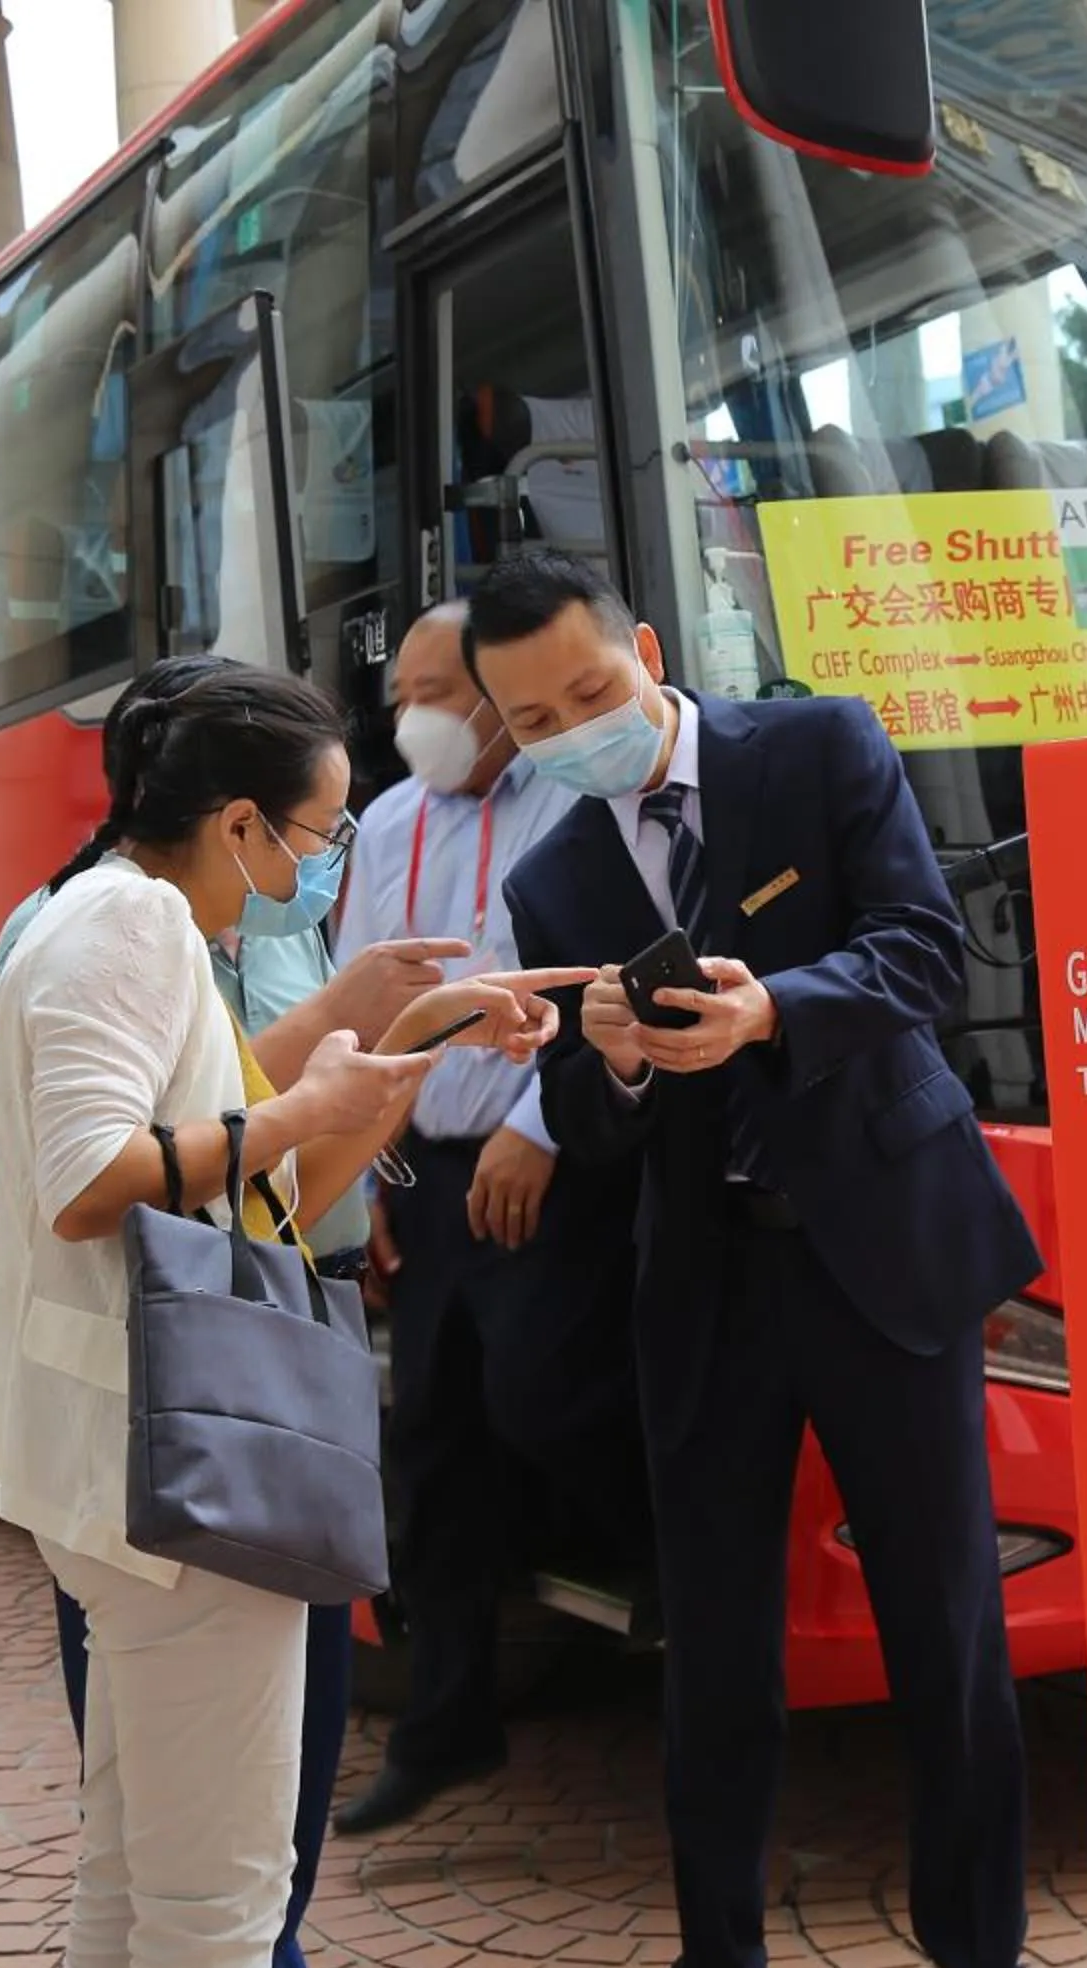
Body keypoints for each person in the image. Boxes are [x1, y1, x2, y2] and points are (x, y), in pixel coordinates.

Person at [476, 553, 1052, 1968]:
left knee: (947, 1627)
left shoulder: (818, 742)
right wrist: (603, 1060)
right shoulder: (551, 876)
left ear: (648, 650)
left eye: (592, 694)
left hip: (885, 1248)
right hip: (710, 1280)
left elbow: (923, 953)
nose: (571, 732)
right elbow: (593, 1133)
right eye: (533, 722)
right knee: (718, 1640)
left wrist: (768, 1013)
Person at [0, 661, 571, 1968]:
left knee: (136, 1883)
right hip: (180, 1464)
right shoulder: (130, 929)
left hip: (129, 1458)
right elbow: (97, 1178)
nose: (328, 855)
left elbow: (251, 1169)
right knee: (221, 1911)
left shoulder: (118, 917)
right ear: (239, 823)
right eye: (321, 829)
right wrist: (312, 1110)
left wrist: (410, 1025)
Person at [328, 604, 642, 1835]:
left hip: (546, 1159)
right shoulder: (389, 825)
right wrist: (368, 1167)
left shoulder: (576, 805)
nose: (410, 716)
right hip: (425, 1174)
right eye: (397, 690)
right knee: (435, 1440)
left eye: (434, 689)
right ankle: (446, 1723)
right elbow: (364, 1010)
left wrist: (544, 1126)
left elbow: (611, 989)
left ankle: (667, 1579)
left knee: (547, 1392)